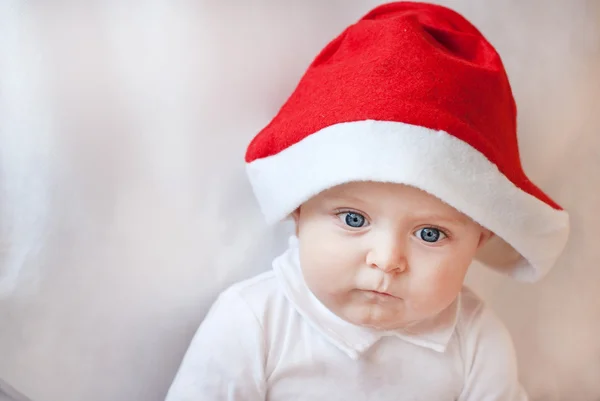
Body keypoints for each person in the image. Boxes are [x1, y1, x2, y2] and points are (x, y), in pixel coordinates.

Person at [164, 2, 570, 400]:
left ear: (480, 239)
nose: (387, 259)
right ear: (299, 210)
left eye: (430, 233)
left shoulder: (476, 339)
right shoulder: (252, 322)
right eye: (354, 219)